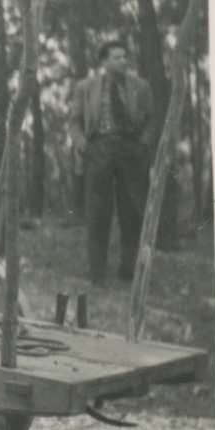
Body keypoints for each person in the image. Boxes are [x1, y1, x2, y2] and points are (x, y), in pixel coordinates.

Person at [68, 40, 155, 283]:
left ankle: (128, 272)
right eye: (116, 57)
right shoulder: (86, 88)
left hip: (131, 151)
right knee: (98, 212)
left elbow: (151, 121)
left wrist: (143, 145)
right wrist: (82, 144)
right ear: (104, 61)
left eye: (125, 56)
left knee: (132, 211)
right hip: (99, 150)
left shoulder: (141, 87)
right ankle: (97, 274)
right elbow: (74, 121)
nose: (123, 61)